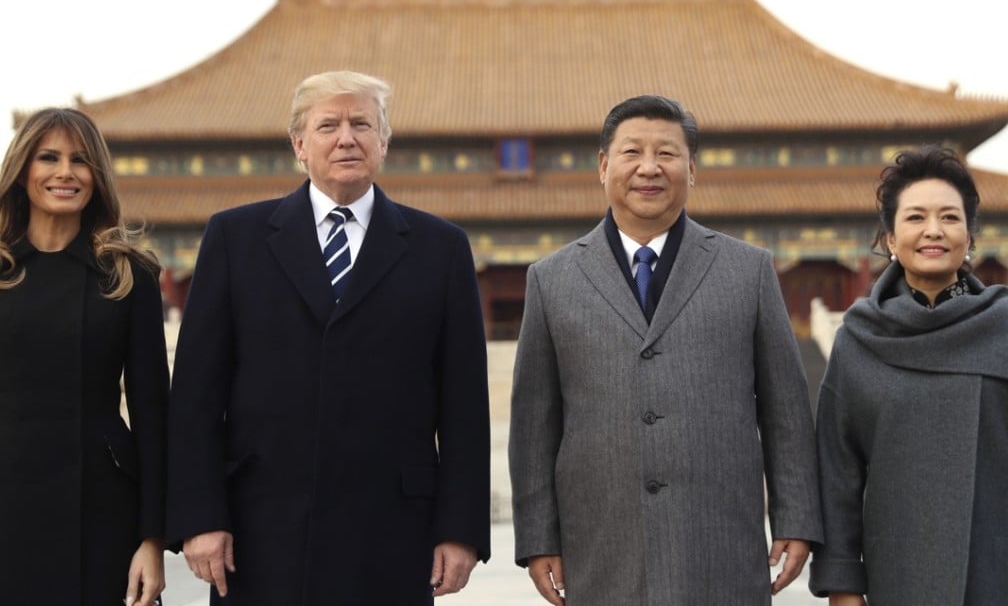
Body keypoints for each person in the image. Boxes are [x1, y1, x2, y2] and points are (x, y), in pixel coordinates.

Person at [166, 70, 491, 605]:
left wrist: (460, 529)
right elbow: (197, 396)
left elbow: (463, 406)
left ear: (383, 142)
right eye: (328, 125)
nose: (347, 137)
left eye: (362, 123)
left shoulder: (441, 248)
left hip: (392, 530)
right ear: (299, 144)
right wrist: (201, 517)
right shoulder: (235, 238)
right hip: (260, 527)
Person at [508, 94, 823, 605]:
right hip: (604, 547)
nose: (649, 168)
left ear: (692, 169)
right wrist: (539, 536)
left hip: (719, 543)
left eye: (668, 154)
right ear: (604, 165)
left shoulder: (748, 271)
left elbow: (785, 409)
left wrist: (796, 516)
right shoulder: (552, 280)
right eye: (632, 153)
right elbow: (534, 424)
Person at [809, 145, 1008, 606]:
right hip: (898, 580)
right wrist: (843, 588)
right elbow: (836, 474)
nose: (933, 231)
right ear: (889, 237)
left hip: (1003, 577)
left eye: (949, 218)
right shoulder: (859, 340)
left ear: (969, 235)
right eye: (915, 217)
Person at [0, 108, 168, 605]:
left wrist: (153, 541)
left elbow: (153, 411)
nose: (65, 172)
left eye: (81, 160)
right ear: (21, 169)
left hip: (102, 511)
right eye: (48, 157)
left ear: (98, 175)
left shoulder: (127, 275)